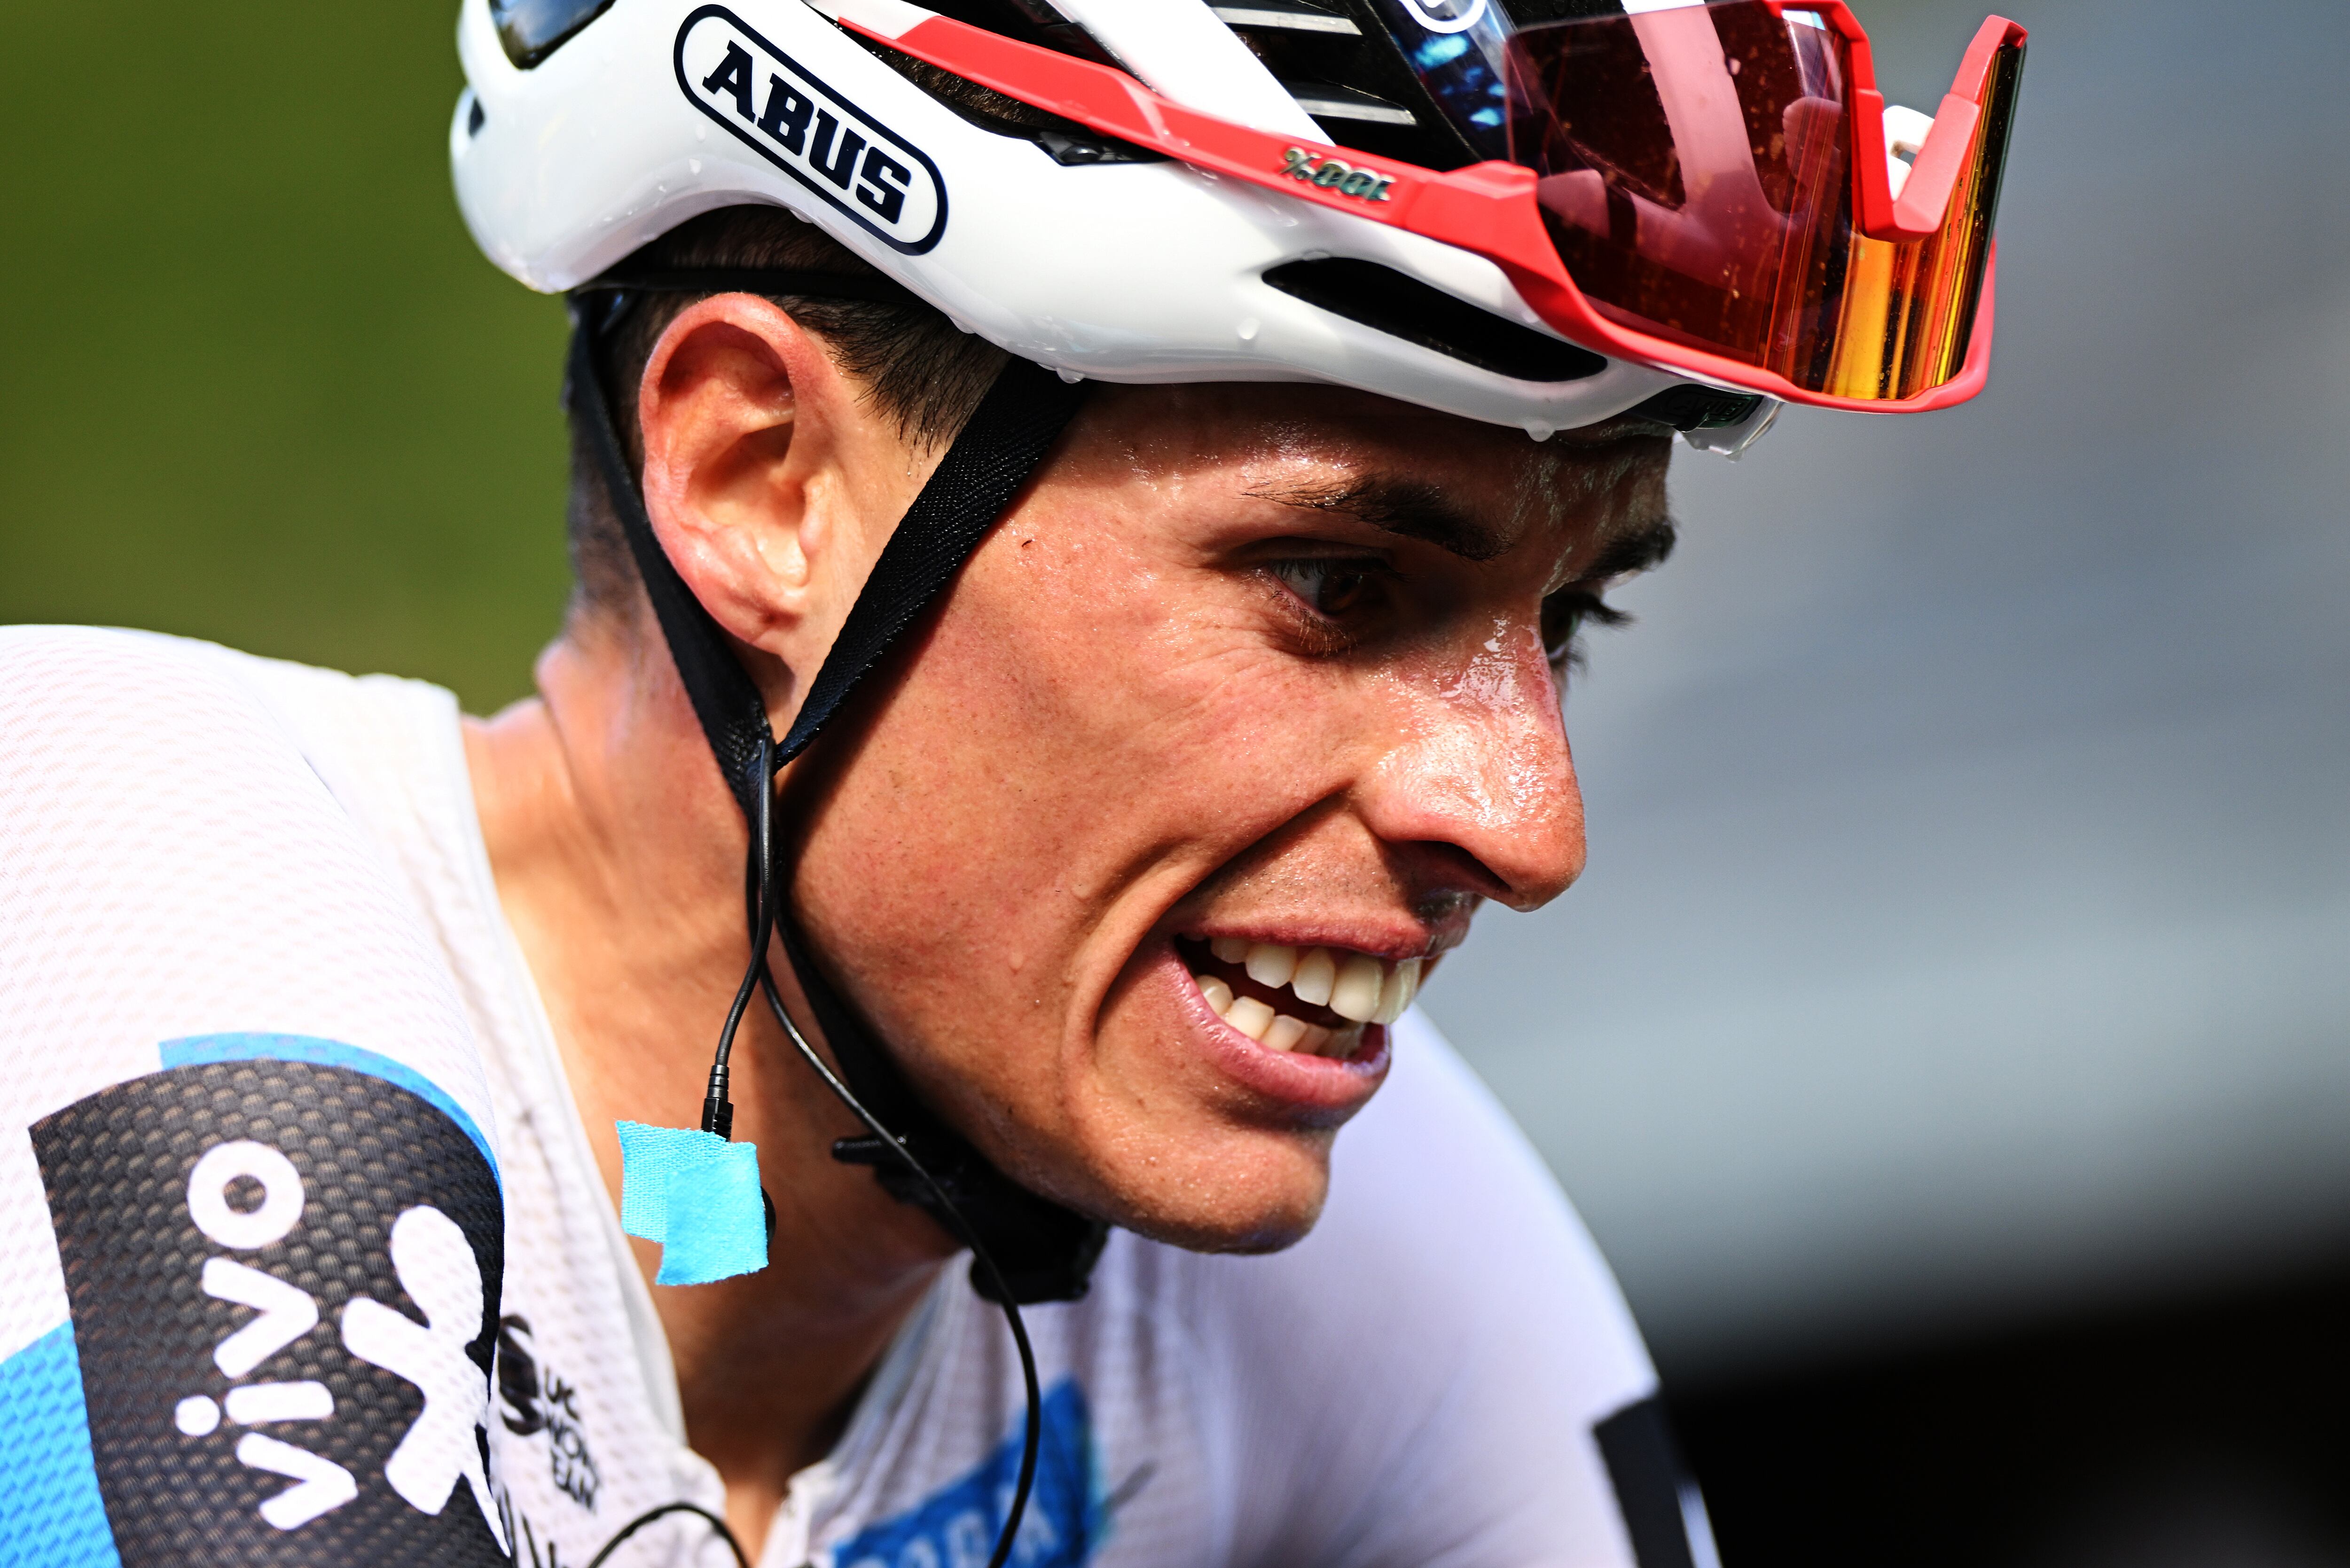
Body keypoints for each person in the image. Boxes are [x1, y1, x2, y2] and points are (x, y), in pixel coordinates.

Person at [0, 1, 2023, 1564]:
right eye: (1337, 585)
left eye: (1563, 625)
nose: (1526, 823)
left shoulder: (1372, 1230)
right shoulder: (117, 879)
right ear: (757, 480)